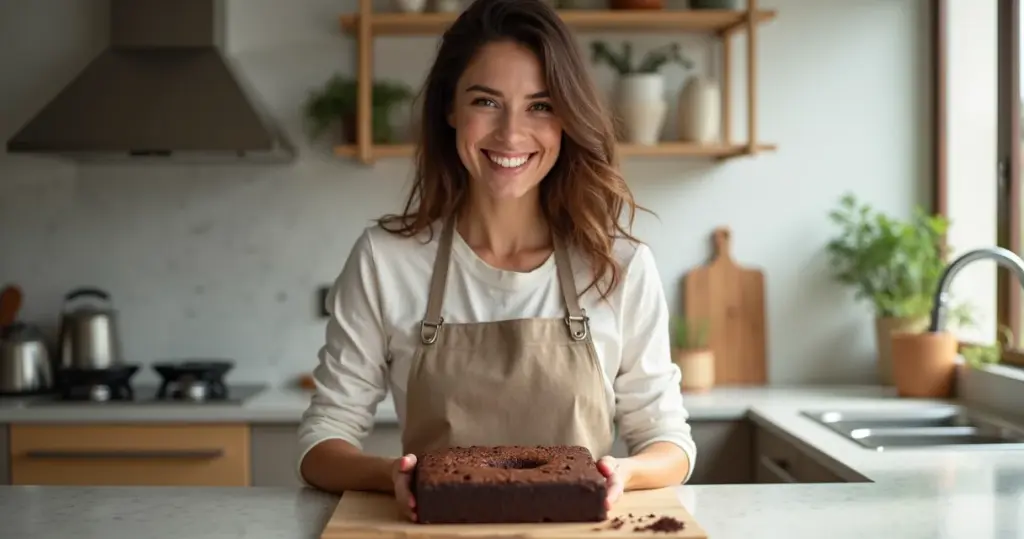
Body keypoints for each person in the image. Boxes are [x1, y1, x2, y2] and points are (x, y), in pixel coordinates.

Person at [298, 0, 696, 521]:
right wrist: (393, 475)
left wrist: (624, 472)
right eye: (486, 101)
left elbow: (669, 441)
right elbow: (322, 441)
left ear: (567, 119)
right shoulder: (386, 260)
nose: (510, 133)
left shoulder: (617, 266)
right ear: (450, 109)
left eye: (540, 106)